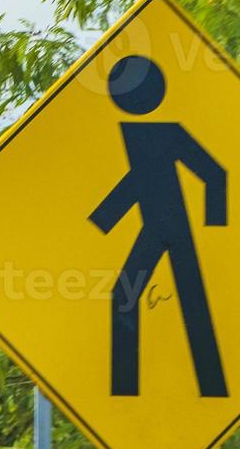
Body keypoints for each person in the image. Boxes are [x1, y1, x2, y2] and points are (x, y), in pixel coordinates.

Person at [89, 55, 229, 398]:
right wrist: (104, 218)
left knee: (143, 296)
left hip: (171, 223)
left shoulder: (166, 133)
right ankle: (132, 387)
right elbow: (142, 178)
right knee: (143, 296)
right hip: (158, 222)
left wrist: (215, 225)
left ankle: (135, 387)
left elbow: (214, 174)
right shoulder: (140, 133)